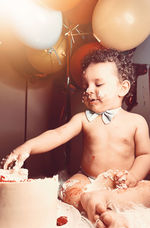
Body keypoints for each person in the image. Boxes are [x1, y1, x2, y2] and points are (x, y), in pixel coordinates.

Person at [1, 49, 150, 208]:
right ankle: (94, 205)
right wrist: (27, 147)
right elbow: (57, 135)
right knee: (69, 189)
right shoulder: (84, 119)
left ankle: (106, 203)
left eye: (98, 84)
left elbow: (145, 154)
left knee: (146, 191)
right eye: (85, 85)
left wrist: (133, 176)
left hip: (121, 183)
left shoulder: (136, 122)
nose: (88, 90)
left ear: (123, 88)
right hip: (88, 178)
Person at [80, 179, 150, 228]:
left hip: (124, 179)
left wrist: (134, 174)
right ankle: (102, 199)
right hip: (87, 177)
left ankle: (113, 214)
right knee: (73, 193)